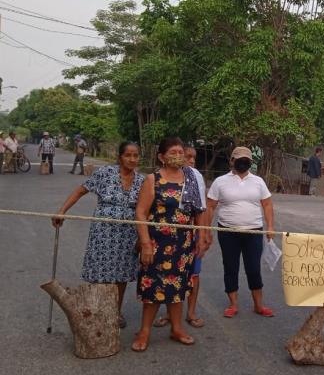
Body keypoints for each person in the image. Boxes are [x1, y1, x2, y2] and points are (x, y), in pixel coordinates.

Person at [51, 142, 145, 328]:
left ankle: (115, 313)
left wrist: (143, 237)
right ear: (120, 157)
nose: (132, 159)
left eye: (135, 155)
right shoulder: (105, 173)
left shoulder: (142, 180)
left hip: (128, 233)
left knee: (122, 274)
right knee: (101, 271)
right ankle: (98, 311)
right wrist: (62, 211)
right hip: (104, 231)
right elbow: (80, 190)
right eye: (128, 155)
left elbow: (145, 209)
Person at [132, 137, 209, 352]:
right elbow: (140, 212)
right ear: (161, 157)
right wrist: (145, 242)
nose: (178, 155)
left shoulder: (191, 179)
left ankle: (177, 328)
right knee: (152, 286)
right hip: (156, 243)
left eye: (180, 152)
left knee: (178, 286)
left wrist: (202, 236)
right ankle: (145, 331)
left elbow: (199, 210)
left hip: (183, 243)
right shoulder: (153, 179)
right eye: (173, 152)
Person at [207, 146, 275, 319]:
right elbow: (210, 207)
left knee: (253, 268)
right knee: (231, 267)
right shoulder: (220, 181)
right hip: (227, 232)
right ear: (232, 161)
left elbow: (267, 204)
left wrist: (270, 226)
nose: (243, 163)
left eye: (247, 160)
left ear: (251, 163)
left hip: (253, 232)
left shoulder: (258, 181)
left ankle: (259, 305)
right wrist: (205, 231)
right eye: (239, 160)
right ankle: (233, 304)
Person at [153, 146, 210, 328]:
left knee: (193, 273)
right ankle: (170, 315)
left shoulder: (196, 177)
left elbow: (202, 207)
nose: (191, 160)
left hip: (189, 233)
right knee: (168, 273)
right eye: (188, 156)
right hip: (165, 235)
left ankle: (191, 312)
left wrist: (204, 233)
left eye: (194, 157)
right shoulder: (159, 176)